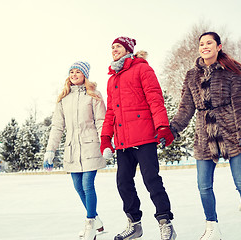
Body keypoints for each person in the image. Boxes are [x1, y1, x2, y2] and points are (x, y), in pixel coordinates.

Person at [169, 32, 241, 240]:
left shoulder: (232, 71)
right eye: (201, 43)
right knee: (203, 186)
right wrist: (174, 127)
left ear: (219, 46)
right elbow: (186, 107)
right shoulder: (191, 75)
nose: (204, 46)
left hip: (231, 131)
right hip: (204, 135)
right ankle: (212, 227)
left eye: (209, 43)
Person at [100, 36, 177, 240]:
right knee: (123, 183)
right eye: (112, 47)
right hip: (123, 141)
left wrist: (162, 126)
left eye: (118, 46)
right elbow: (111, 112)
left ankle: (165, 222)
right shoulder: (112, 79)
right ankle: (134, 224)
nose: (114, 50)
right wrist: (106, 137)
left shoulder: (142, 69)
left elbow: (155, 98)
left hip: (144, 137)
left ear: (128, 50)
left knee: (151, 180)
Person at [43, 61, 107, 240]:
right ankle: (97, 221)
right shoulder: (63, 98)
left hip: (91, 145)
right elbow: (57, 126)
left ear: (85, 75)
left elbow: (101, 121)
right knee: (78, 187)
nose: (74, 74)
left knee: (88, 185)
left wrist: (105, 143)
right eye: (71, 71)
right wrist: (50, 150)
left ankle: (90, 225)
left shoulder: (93, 94)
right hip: (71, 148)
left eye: (78, 71)